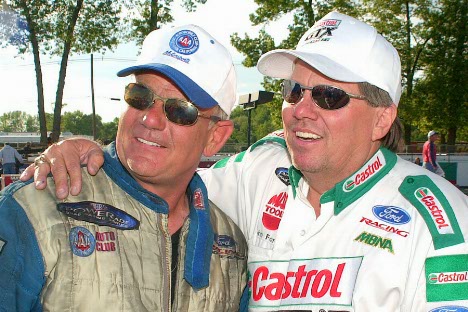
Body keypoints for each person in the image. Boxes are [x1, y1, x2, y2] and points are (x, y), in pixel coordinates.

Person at [20, 12, 468, 311]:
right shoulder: (258, 173)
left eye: (329, 96)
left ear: (381, 118)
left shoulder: (438, 222)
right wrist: (88, 150)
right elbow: (163, 174)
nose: (300, 109)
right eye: (295, 90)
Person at [0, 24, 248, 311]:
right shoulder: (36, 207)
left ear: (215, 137)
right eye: (140, 97)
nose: (150, 119)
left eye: (180, 110)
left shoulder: (231, 247)